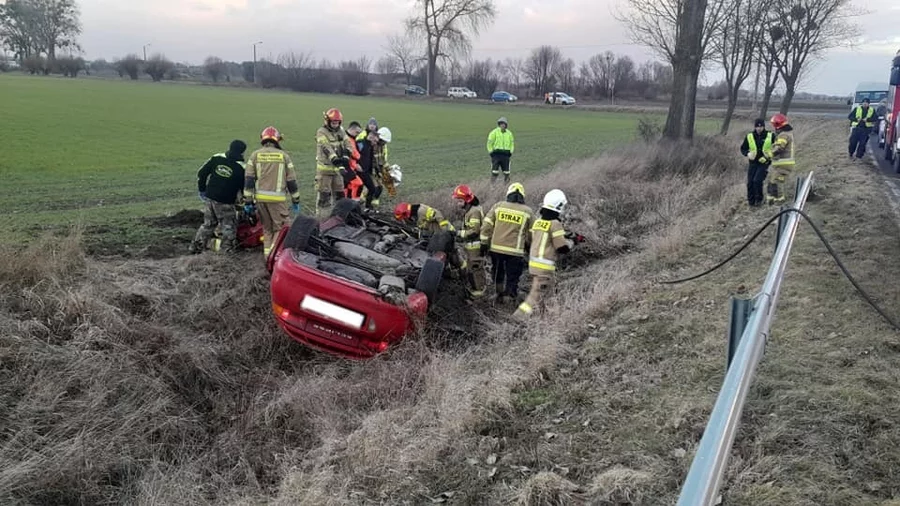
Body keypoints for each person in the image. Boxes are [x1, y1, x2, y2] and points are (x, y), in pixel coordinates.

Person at [514, 189, 574, 318]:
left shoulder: (538, 222)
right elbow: (562, 248)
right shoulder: (555, 224)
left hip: (534, 265)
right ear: (559, 206)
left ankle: (545, 318)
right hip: (545, 268)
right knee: (536, 297)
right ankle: (517, 319)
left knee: (546, 295)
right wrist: (572, 242)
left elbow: (536, 240)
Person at [244, 126, 300, 258]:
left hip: (260, 200)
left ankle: (267, 256)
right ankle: (274, 259)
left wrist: (248, 201)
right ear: (277, 140)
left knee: (267, 230)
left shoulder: (255, 155)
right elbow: (291, 181)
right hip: (278, 201)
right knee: (280, 230)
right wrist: (295, 200)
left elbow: (249, 180)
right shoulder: (284, 156)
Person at [189, 140, 247, 254]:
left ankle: (195, 247)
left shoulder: (216, 158)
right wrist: (245, 201)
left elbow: (201, 173)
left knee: (208, 224)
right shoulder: (242, 168)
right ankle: (226, 252)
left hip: (210, 197)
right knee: (228, 227)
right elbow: (244, 188)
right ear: (242, 152)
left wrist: (202, 190)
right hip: (226, 202)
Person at [480, 182, 534, 304]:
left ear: (508, 194)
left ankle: (497, 294)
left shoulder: (498, 206)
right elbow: (532, 233)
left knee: (498, 272)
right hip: (515, 252)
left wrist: (484, 243)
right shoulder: (527, 211)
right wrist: (529, 246)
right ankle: (509, 298)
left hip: (496, 249)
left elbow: (486, 226)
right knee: (512, 276)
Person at [315, 108, 355, 217]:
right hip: (325, 170)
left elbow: (348, 144)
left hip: (337, 171)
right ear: (327, 121)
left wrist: (346, 155)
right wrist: (335, 159)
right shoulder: (321, 132)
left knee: (340, 195)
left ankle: (338, 217)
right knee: (324, 197)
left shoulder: (341, 131)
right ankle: (322, 218)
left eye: (337, 122)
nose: (335, 125)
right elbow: (326, 147)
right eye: (333, 122)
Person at [451, 184, 486, 298]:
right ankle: (476, 288)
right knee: (473, 268)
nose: (458, 203)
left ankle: (478, 294)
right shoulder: (471, 209)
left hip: (475, 246)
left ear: (467, 200)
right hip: (472, 246)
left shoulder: (473, 212)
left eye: (459, 201)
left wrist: (459, 233)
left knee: (475, 269)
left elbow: (474, 230)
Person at [739, 119, 774, 208]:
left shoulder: (770, 136)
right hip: (753, 162)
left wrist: (767, 157)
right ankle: (751, 202)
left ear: (763, 126)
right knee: (750, 182)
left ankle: (759, 200)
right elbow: (743, 148)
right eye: (757, 126)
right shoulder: (749, 136)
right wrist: (747, 154)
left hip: (764, 163)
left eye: (761, 126)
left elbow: (776, 149)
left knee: (757, 181)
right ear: (755, 127)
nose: (759, 128)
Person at [766, 113, 795, 206]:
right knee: (773, 181)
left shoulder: (783, 135)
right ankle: (772, 201)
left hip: (783, 164)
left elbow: (779, 148)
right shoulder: (787, 134)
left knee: (776, 182)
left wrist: (768, 155)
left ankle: (779, 202)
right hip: (783, 164)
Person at [356, 127, 384, 209]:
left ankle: (368, 207)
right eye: (375, 141)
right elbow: (353, 154)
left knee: (372, 189)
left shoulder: (371, 146)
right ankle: (356, 208)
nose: (375, 143)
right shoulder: (360, 144)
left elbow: (371, 159)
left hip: (366, 172)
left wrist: (375, 170)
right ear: (370, 137)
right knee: (358, 191)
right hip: (358, 172)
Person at [487, 117, 515, 183]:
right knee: (494, 172)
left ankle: (505, 186)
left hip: (506, 156)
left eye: (504, 124)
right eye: (501, 123)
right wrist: (491, 152)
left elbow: (512, 144)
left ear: (506, 125)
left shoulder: (509, 133)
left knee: (507, 173)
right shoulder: (494, 132)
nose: (502, 125)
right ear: (499, 124)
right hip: (496, 155)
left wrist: (510, 152)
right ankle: (492, 186)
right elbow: (489, 143)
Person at [342, 121, 364, 199]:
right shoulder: (348, 139)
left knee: (349, 187)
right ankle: (353, 202)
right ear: (352, 130)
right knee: (359, 184)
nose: (357, 135)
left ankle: (348, 202)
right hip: (347, 167)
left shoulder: (350, 138)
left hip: (350, 167)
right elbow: (354, 154)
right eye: (357, 132)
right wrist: (359, 159)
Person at [376, 127, 397, 201]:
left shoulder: (383, 146)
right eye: (383, 141)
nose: (384, 143)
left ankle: (392, 194)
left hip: (380, 164)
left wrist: (389, 168)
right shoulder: (373, 144)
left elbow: (383, 159)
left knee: (387, 177)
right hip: (373, 166)